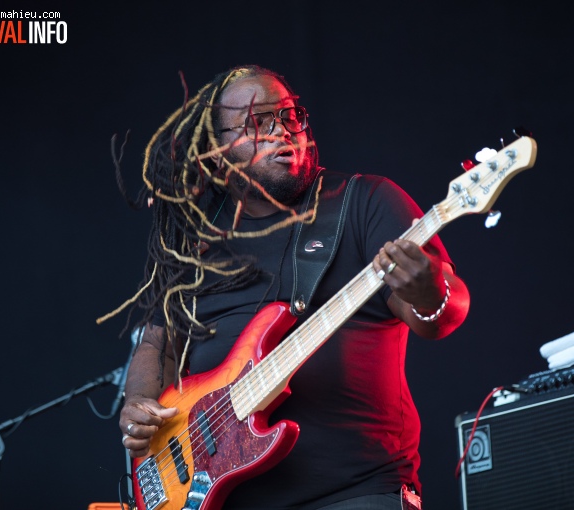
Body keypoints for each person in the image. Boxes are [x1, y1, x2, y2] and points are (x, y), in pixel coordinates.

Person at [111, 65, 470, 509]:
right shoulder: (193, 239)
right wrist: (140, 405)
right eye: (256, 123)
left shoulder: (366, 202)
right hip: (222, 498)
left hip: (356, 491)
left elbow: (443, 315)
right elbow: (157, 343)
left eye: (289, 115)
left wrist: (429, 291)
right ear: (217, 150)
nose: (282, 131)